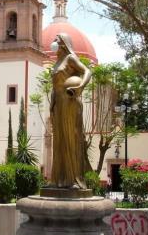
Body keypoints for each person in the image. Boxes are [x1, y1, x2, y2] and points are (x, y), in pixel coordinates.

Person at [50, 33, 91, 189]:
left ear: (64, 44)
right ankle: (57, 180)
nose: (54, 43)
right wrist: (52, 103)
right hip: (58, 103)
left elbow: (87, 71)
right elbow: (55, 86)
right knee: (59, 141)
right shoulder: (57, 62)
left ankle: (74, 180)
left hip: (69, 101)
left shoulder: (70, 58)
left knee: (70, 139)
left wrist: (80, 87)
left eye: (57, 40)